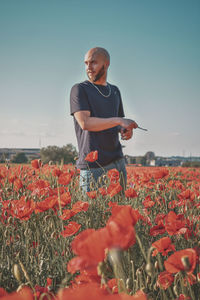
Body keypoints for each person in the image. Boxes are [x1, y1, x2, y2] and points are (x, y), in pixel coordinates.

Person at [70, 47, 138, 192]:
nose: (88, 67)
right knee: (93, 214)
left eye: (93, 62)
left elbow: (117, 124)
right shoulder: (80, 89)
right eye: (86, 63)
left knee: (120, 212)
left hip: (117, 162)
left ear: (106, 64)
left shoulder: (114, 91)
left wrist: (125, 130)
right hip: (93, 167)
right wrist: (119, 121)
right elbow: (85, 123)